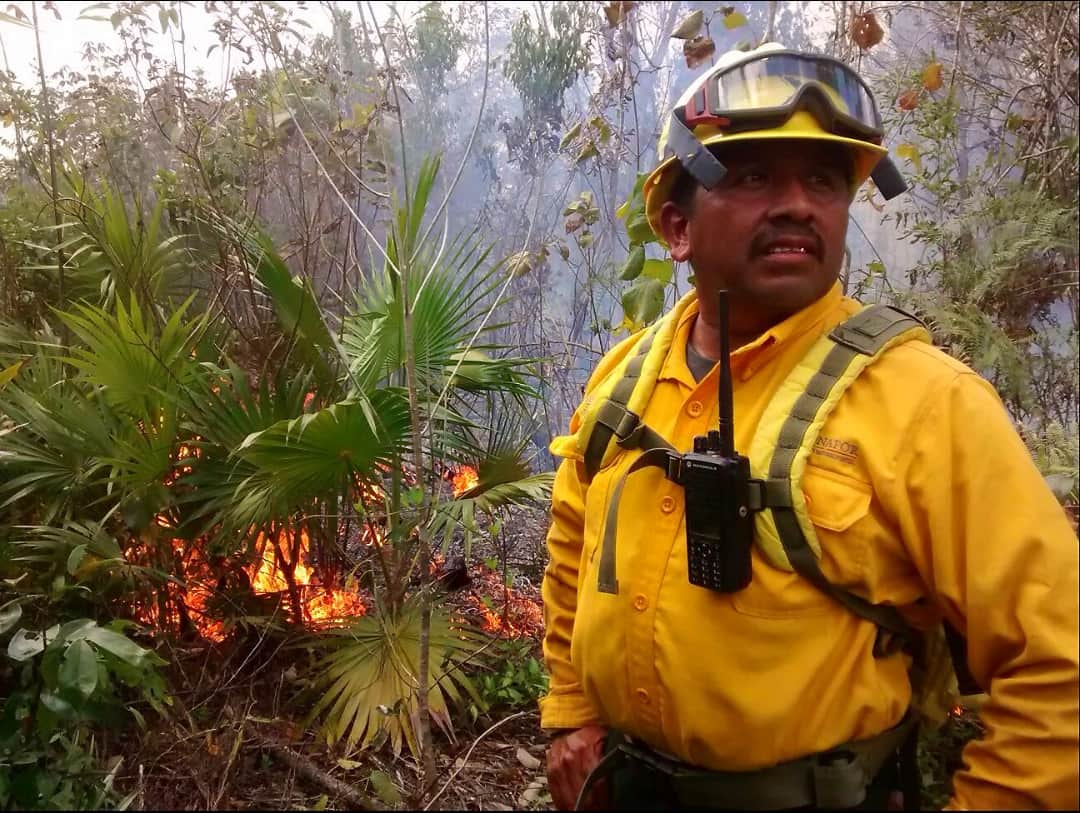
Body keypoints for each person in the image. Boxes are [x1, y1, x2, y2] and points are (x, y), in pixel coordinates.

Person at [539, 42, 1079, 811]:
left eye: (823, 179)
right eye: (753, 176)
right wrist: (573, 715)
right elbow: (573, 543)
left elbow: (1060, 668)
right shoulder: (623, 380)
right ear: (677, 226)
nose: (797, 203)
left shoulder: (926, 403)